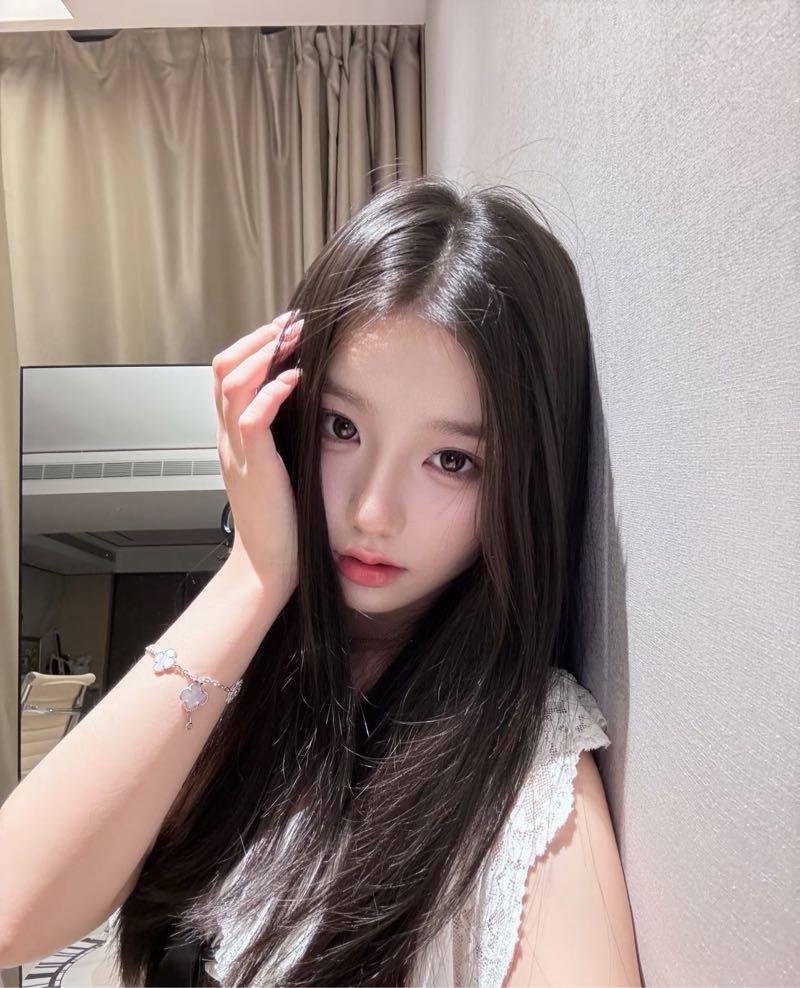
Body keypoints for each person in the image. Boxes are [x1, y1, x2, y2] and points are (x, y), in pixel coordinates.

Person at [0, 175, 640, 986]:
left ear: (524, 486)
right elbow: (14, 910)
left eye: (452, 460)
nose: (373, 512)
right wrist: (255, 573)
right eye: (342, 427)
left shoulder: (527, 771)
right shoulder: (248, 681)